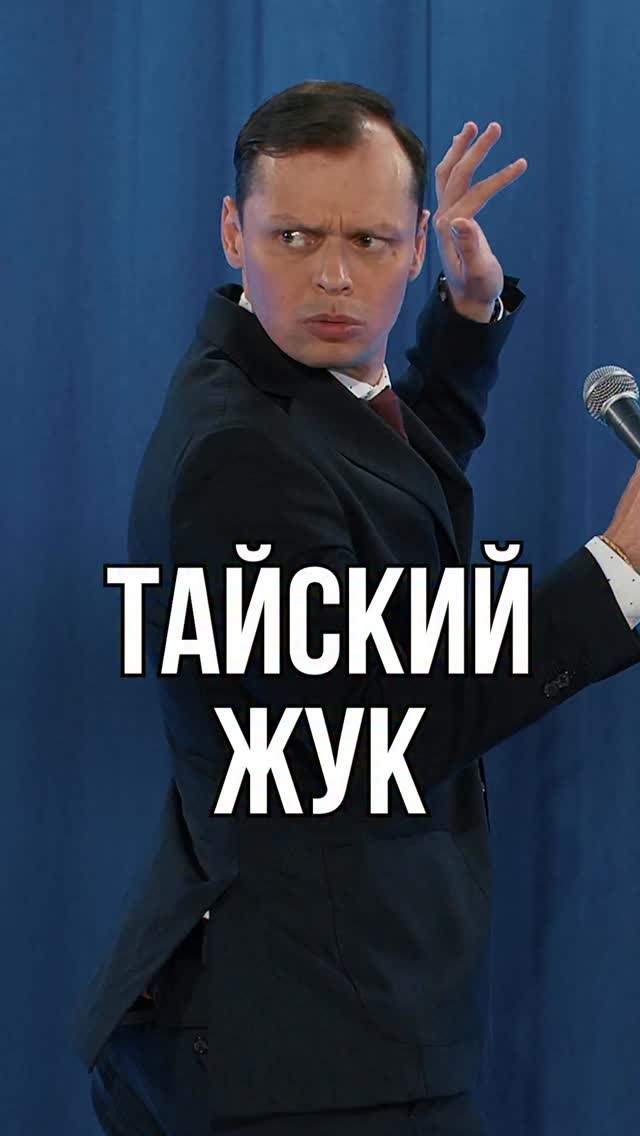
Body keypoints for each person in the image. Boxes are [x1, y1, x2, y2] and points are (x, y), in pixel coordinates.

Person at [71, 80, 640, 1136]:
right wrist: (620, 569)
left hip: (289, 996)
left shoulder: (281, 384)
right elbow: (384, 721)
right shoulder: (235, 453)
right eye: (294, 235)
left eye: (372, 240)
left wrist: (465, 320)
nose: (334, 275)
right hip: (303, 1046)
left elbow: (375, 483)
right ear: (233, 231)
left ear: (419, 244)